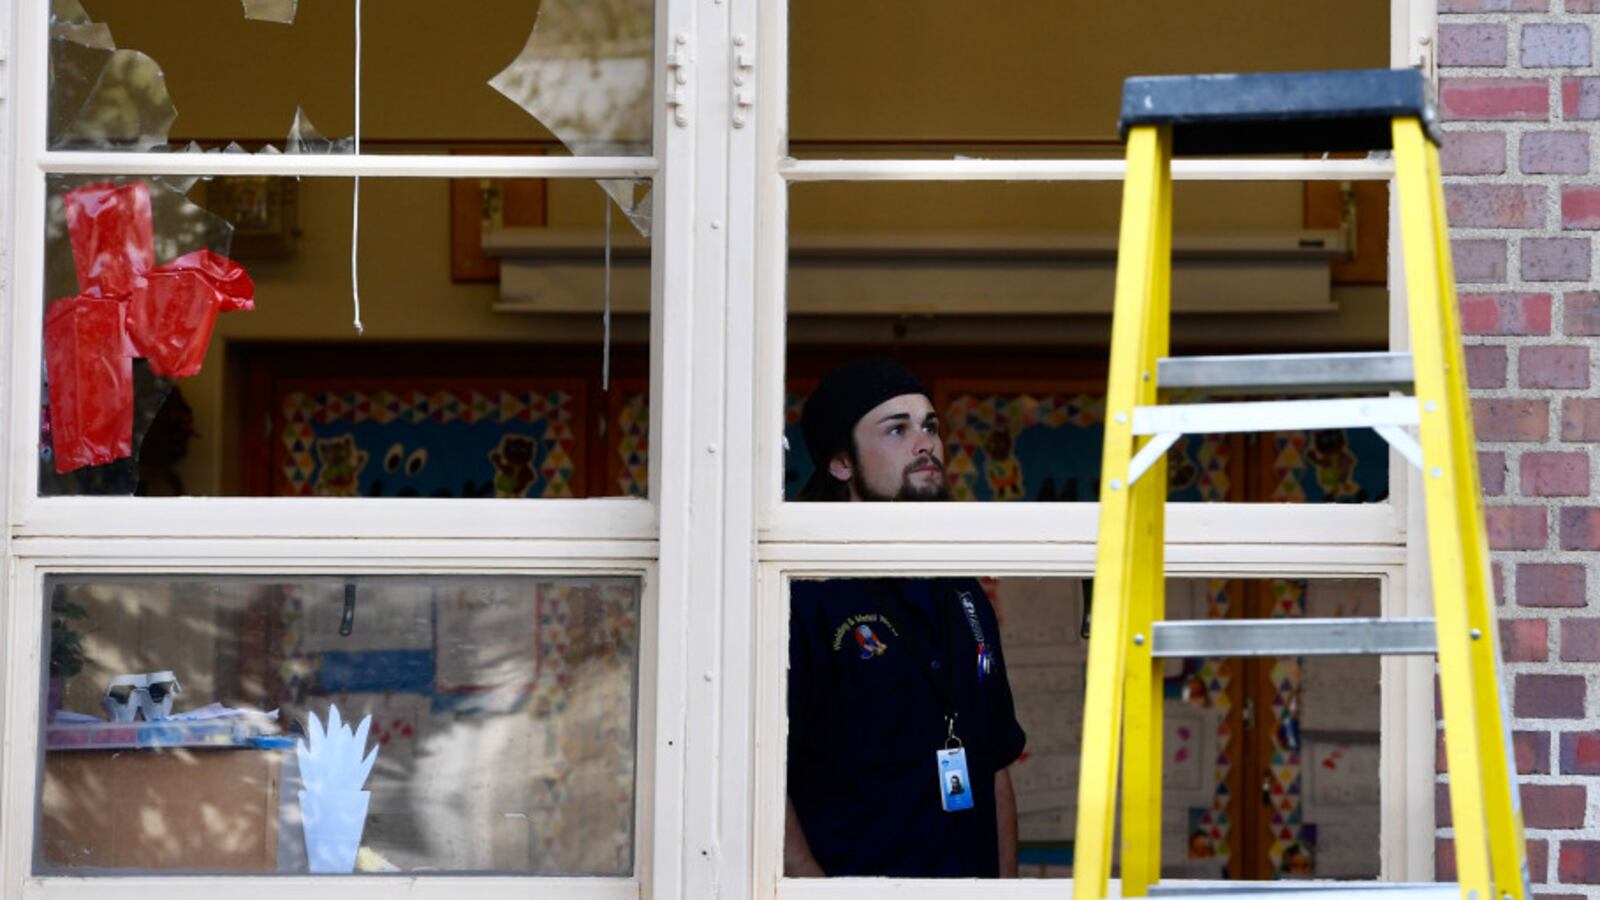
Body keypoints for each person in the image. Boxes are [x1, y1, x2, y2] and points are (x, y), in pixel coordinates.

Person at [786, 358, 1027, 878]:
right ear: (841, 463)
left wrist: (1007, 891)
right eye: (897, 428)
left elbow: (996, 761)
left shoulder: (962, 588)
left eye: (930, 426)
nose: (926, 444)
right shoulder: (801, 592)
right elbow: (756, 772)